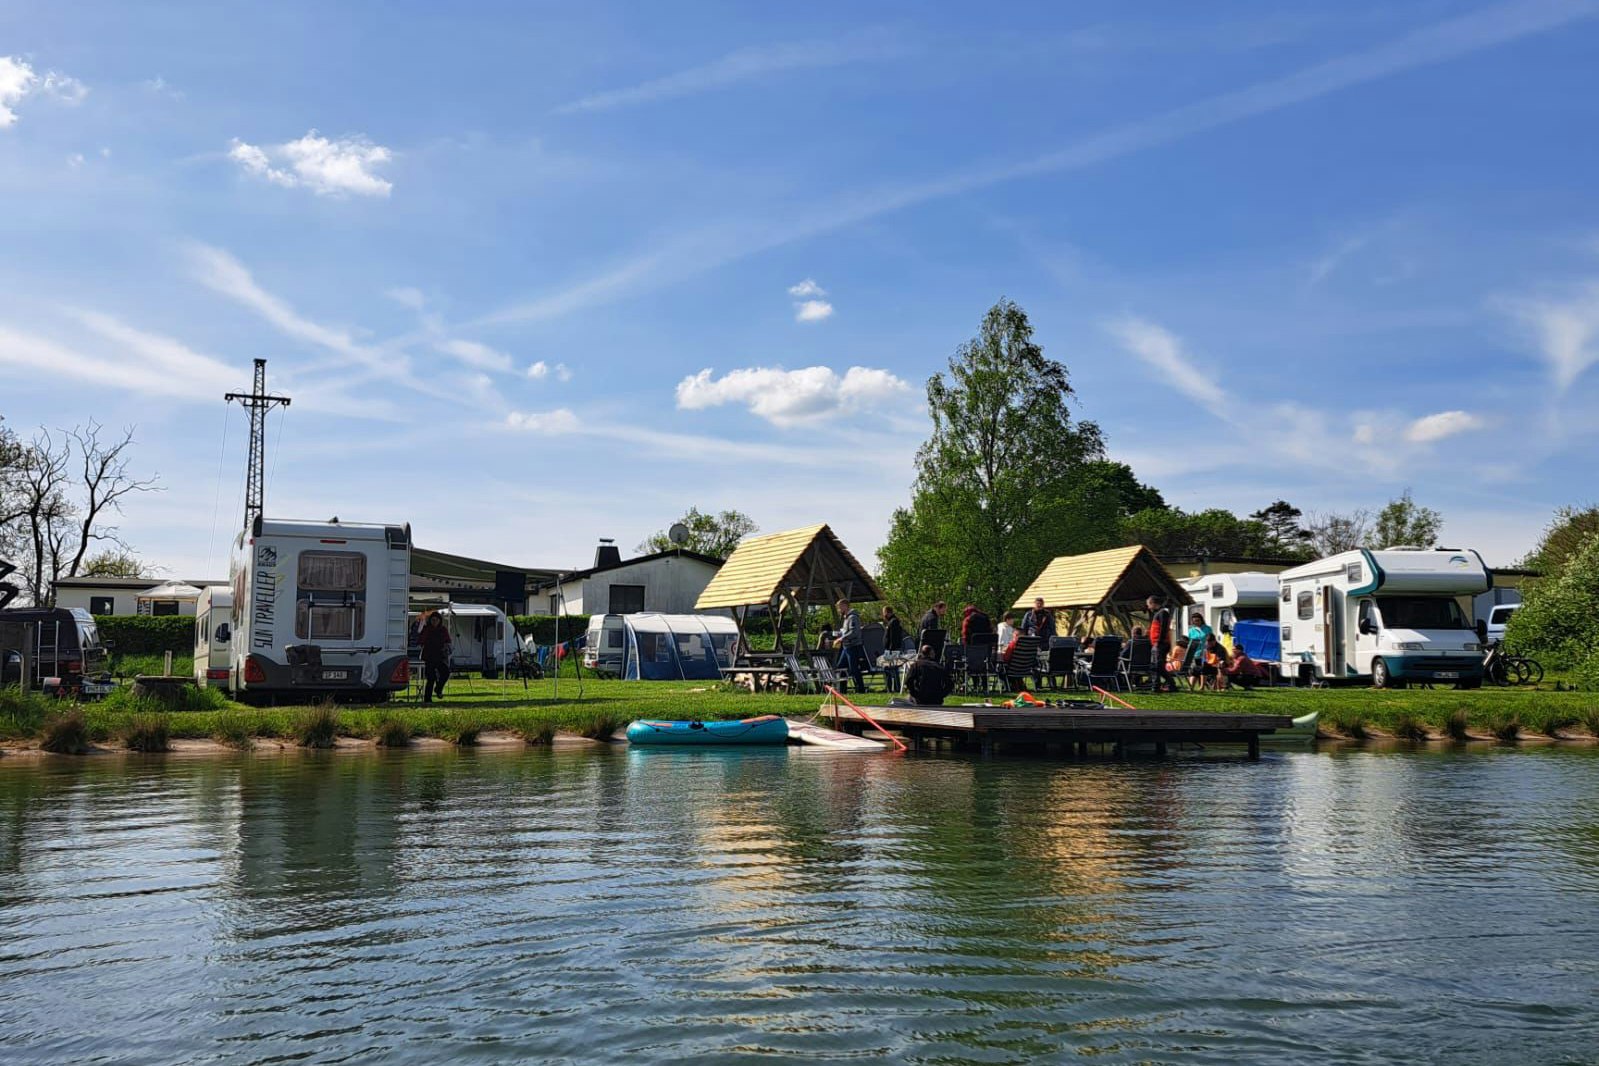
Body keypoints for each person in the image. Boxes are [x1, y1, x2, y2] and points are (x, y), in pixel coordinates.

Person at [418, 611, 452, 703]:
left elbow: (448, 641)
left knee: (446, 673)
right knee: (431, 678)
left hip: (440, 656)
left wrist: (447, 649)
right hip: (429, 656)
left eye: (436, 620)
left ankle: (438, 688)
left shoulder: (443, 629)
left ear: (439, 620)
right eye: (433, 620)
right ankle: (427, 699)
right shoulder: (426, 629)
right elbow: (421, 641)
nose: (434, 622)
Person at [833, 598, 866, 694]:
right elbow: (847, 631)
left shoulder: (852, 617)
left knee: (854, 668)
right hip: (846, 647)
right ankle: (842, 690)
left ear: (845, 606)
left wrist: (842, 638)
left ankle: (860, 689)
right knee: (841, 667)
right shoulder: (846, 618)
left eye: (840, 608)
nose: (839, 610)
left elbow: (854, 632)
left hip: (853, 646)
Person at [1147, 595, 1177, 693]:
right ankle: (1155, 687)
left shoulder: (1163, 613)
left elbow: (1163, 629)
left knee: (1158, 666)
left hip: (1160, 644)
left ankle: (1171, 684)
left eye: (1149, 605)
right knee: (1154, 666)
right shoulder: (1158, 613)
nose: (1148, 607)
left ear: (1153, 603)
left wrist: (1159, 642)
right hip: (1157, 643)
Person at [1182, 611, 1214, 687]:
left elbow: (1211, 639)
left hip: (1205, 653)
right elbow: (1190, 642)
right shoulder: (1191, 630)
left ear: (1201, 620)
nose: (1196, 622)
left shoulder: (1207, 628)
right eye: (1194, 621)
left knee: (1203, 670)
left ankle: (1202, 686)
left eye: (1197, 620)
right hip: (1195, 653)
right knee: (1194, 670)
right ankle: (1191, 687)